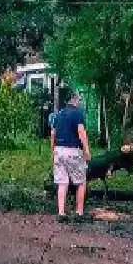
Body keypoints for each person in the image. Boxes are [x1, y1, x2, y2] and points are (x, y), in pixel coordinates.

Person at [50, 91, 91, 222]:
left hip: (59, 150)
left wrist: (53, 151)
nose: (79, 101)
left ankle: (61, 213)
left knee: (62, 183)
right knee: (81, 182)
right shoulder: (78, 113)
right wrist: (87, 151)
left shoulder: (59, 114)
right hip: (73, 151)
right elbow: (81, 132)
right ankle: (79, 213)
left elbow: (53, 134)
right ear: (73, 99)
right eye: (78, 99)